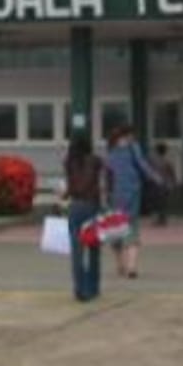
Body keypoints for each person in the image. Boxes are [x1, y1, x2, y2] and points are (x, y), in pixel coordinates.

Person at [105, 125, 162, 279]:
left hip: (114, 196)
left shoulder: (110, 150)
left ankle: (120, 265)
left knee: (116, 229)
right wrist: (156, 178)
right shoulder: (132, 147)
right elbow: (142, 165)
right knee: (132, 227)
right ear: (128, 136)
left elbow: (107, 173)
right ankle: (132, 267)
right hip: (132, 193)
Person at [62, 129, 104, 302]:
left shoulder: (68, 161)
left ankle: (80, 288)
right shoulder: (95, 161)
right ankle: (93, 287)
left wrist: (65, 195)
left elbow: (71, 186)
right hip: (91, 206)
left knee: (77, 251)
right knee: (93, 249)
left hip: (75, 207)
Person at [150, 141, 178, 226]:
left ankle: (158, 219)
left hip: (155, 184)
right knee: (163, 203)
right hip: (165, 185)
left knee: (156, 202)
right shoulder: (167, 162)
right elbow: (172, 174)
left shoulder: (152, 161)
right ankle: (162, 219)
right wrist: (174, 183)